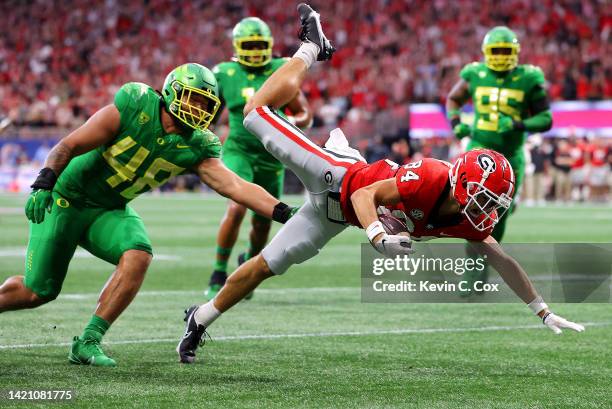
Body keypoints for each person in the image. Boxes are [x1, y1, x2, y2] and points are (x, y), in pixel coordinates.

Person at [176, 4, 584, 364]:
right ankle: (312, 47)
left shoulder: (470, 219)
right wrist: (376, 235)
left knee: (267, 265)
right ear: (460, 183)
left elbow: (503, 261)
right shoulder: (431, 177)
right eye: (481, 198)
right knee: (252, 113)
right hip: (337, 176)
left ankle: (200, 317)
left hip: (334, 215)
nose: (485, 210)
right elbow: (363, 194)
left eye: (492, 202)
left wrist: (542, 310)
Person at [0, 63, 297, 367]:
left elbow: (235, 185)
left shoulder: (198, 143)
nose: (198, 109)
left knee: (138, 253)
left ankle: (88, 341)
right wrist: (43, 183)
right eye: (193, 98)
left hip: (109, 209)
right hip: (67, 199)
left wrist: (286, 212)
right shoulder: (135, 102)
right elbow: (69, 144)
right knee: (37, 291)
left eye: (205, 104)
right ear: (172, 91)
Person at [205, 17, 312, 300]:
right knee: (237, 206)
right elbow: (210, 114)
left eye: (258, 45)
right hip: (238, 149)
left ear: (269, 46)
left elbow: (304, 112)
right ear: (238, 46)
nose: (253, 50)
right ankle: (218, 271)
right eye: (249, 45)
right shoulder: (224, 72)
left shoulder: (279, 68)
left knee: (263, 221)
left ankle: (248, 267)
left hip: (271, 155)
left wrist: (291, 122)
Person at [445, 26, 553, 288]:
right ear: (486, 52)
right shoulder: (475, 73)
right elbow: (453, 99)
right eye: (497, 51)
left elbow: (545, 119)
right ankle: (473, 267)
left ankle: (483, 261)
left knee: (498, 215)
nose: (502, 56)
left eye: (506, 50)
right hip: (479, 152)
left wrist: (518, 124)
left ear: (515, 52)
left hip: (512, 154)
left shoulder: (528, 77)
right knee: (471, 209)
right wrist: (457, 123)